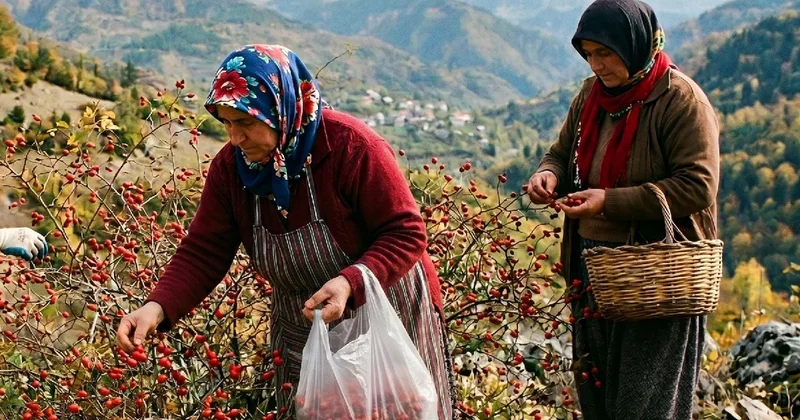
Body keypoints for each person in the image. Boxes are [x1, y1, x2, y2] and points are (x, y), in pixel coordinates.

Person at [115, 44, 455, 419]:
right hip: (305, 324)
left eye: (245, 123)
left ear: (280, 109)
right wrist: (157, 307)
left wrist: (351, 283)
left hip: (386, 312)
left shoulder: (350, 147)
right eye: (226, 124)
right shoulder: (232, 170)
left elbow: (405, 232)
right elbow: (204, 250)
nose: (234, 138)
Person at [525, 1, 720, 419]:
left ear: (635, 45)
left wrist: (609, 202)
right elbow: (561, 152)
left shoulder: (680, 100)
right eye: (588, 54)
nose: (596, 64)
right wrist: (548, 174)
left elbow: (698, 186)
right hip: (593, 269)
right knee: (598, 400)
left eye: (605, 53)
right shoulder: (591, 96)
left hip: (655, 278)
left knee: (644, 406)